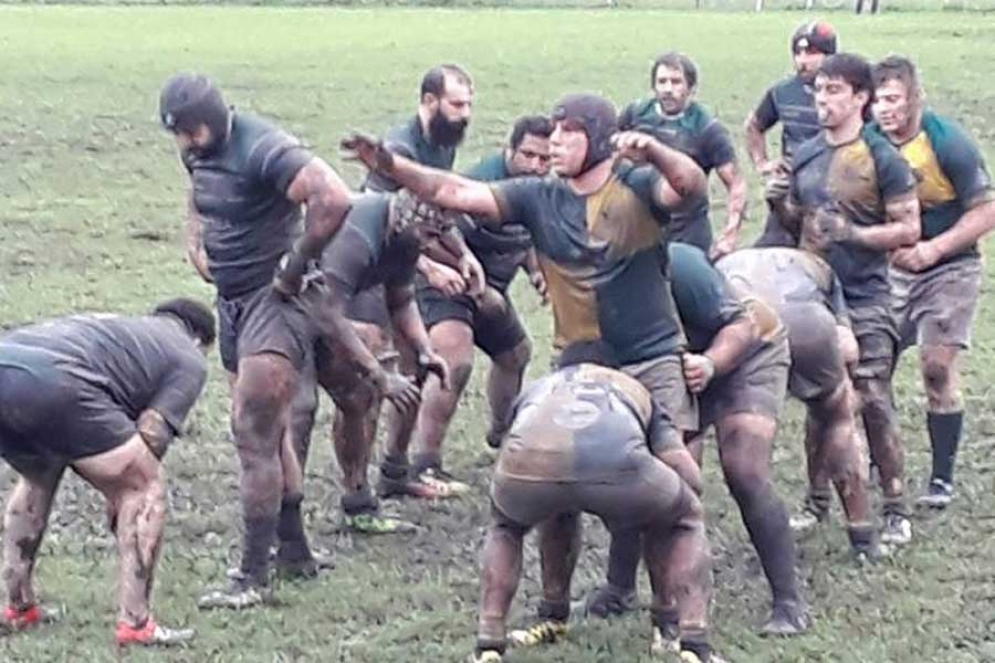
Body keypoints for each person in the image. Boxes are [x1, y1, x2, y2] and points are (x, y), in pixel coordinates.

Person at [342, 93, 708, 496]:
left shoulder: (637, 187)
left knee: (679, 486)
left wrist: (656, 151)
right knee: (558, 492)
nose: (555, 142)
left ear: (601, 139)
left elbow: (690, 186)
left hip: (652, 359)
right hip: (577, 364)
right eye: (554, 131)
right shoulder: (539, 196)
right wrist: (391, 165)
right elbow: (455, 191)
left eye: (569, 132)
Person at [158, 72, 353, 608]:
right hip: (233, 301)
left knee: (253, 433)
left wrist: (293, 269)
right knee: (274, 435)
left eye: (188, 133)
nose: (183, 145)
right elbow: (196, 192)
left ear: (212, 122)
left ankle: (251, 577)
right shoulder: (196, 150)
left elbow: (334, 197)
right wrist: (195, 241)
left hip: (275, 301)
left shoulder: (264, 148)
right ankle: (294, 553)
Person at [591, 243, 806, 634]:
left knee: (744, 470)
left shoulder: (678, 262)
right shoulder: (586, 275)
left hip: (748, 353)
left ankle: (788, 602)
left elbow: (743, 325)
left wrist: (711, 363)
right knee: (646, 470)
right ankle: (619, 588)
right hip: (673, 367)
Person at [473, 342, 719, 663]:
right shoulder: (632, 387)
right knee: (683, 518)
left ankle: (491, 638)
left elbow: (510, 437)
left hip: (531, 463)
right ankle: (686, 637)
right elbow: (688, 474)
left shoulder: (539, 388)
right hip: (616, 460)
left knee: (507, 525)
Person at [765, 53, 921, 545]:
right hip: (813, 296)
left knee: (872, 398)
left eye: (834, 91)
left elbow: (909, 229)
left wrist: (853, 233)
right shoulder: (808, 152)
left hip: (867, 295)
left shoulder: (884, 158)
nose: (823, 100)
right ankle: (817, 502)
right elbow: (799, 225)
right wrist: (779, 203)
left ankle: (894, 506)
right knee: (822, 400)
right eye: (819, 91)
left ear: (860, 98)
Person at [0, 299, 214, 646]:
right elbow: (152, 432)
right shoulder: (188, 356)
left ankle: (18, 607)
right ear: (200, 341)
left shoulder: (125, 329)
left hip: (8, 363)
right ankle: (136, 623)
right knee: (145, 487)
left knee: (39, 475)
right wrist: (119, 493)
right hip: (58, 382)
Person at [388, 115, 552, 499]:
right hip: (443, 282)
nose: (536, 165)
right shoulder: (481, 187)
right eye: (528, 154)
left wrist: (535, 270)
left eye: (544, 158)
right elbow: (431, 233)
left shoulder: (544, 187)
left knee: (515, 354)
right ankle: (424, 463)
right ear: (508, 150)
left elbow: (528, 231)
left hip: (488, 288)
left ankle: (504, 434)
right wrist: (469, 287)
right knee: (454, 361)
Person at [871, 55, 995, 508]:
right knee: (872, 366)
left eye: (893, 99)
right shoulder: (867, 144)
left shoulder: (946, 143)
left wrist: (934, 249)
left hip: (950, 268)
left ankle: (941, 478)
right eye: (878, 100)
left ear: (913, 98)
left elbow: (986, 211)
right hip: (890, 271)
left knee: (937, 369)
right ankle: (878, 456)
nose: (884, 110)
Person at [303, 190, 453, 533]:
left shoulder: (407, 234)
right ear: (407, 219)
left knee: (362, 393)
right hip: (292, 306)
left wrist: (425, 349)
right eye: (428, 234)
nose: (431, 245)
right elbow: (327, 313)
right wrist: (376, 371)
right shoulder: (355, 239)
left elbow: (401, 297)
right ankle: (285, 533)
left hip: (329, 304)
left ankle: (358, 501)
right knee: (302, 409)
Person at [716, 247, 876, 559]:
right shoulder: (815, 264)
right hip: (808, 322)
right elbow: (847, 345)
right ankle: (862, 535)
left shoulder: (723, 265)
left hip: (748, 325)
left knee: (746, 445)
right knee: (837, 418)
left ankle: (763, 538)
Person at [620, 52, 746, 257]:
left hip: (687, 237)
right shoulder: (635, 115)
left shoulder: (707, 129)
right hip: (640, 232)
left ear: (691, 88)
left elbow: (736, 183)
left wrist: (730, 235)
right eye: (662, 82)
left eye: (676, 82)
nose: (668, 89)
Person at [745, 21, 838, 247]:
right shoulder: (782, 92)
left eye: (812, 53)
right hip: (791, 186)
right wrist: (762, 163)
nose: (803, 60)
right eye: (799, 53)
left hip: (832, 190)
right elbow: (754, 126)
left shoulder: (846, 93)